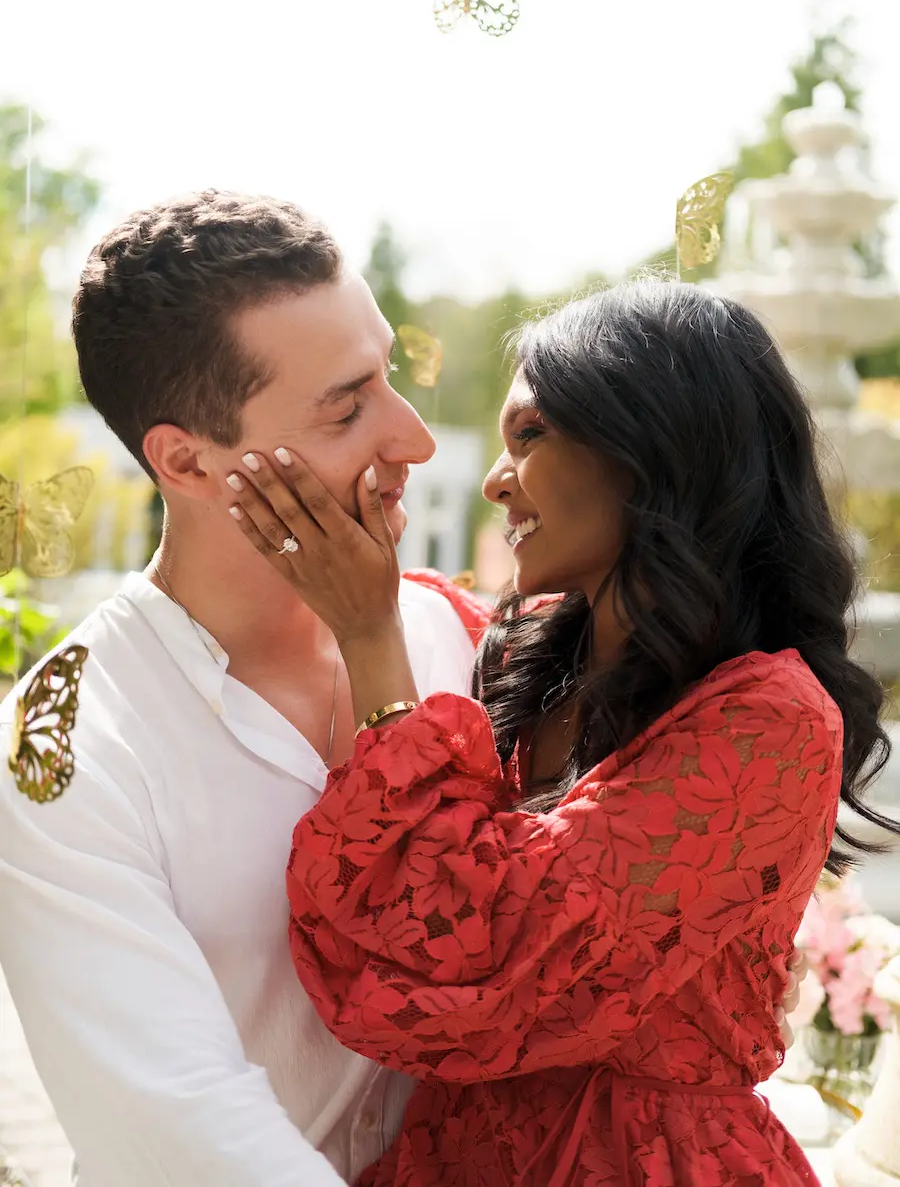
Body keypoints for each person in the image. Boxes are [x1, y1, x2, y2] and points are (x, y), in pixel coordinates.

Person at [227, 279, 897, 1186]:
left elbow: (489, 952)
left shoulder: (771, 723)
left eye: (531, 436)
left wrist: (372, 640)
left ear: (651, 447)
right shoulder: (515, 660)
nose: (500, 481)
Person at [0, 190, 479, 1187]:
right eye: (347, 406)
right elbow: (181, 1129)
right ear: (185, 459)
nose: (414, 440)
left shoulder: (449, 644)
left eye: (387, 375)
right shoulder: (66, 746)